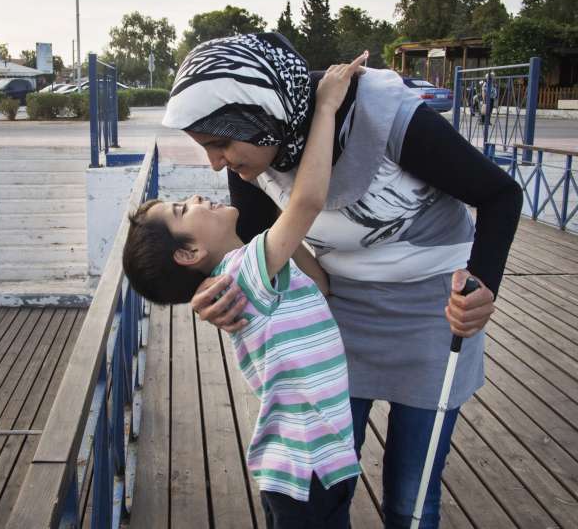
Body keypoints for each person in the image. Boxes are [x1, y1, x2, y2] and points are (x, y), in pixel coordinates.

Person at [162, 32, 523, 529]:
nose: (216, 162)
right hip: (336, 317)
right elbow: (256, 248)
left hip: (435, 315)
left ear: (263, 113)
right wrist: (214, 295)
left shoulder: (382, 113)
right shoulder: (252, 158)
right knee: (322, 482)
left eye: (221, 143)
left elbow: (501, 195)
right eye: (207, 147)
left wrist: (482, 285)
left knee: (410, 498)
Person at [124, 55, 370, 528]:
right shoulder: (246, 272)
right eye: (182, 209)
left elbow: (320, 283)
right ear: (189, 252)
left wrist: (262, 177)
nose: (196, 196)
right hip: (306, 468)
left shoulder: (252, 270)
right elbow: (308, 201)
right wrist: (325, 107)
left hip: (317, 462)